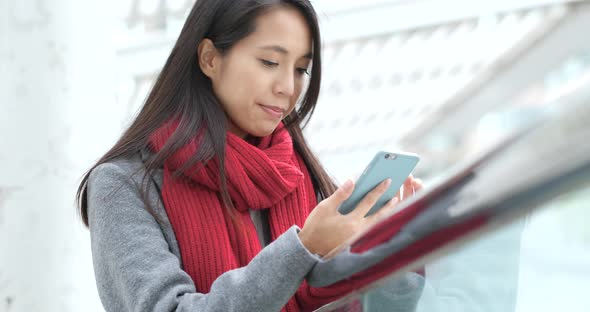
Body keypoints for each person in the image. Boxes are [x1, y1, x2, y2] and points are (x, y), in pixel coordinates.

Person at [76, 0, 424, 311]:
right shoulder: (122, 185)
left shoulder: (295, 174)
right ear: (210, 58)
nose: (288, 87)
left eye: (301, 69)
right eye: (270, 62)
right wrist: (303, 247)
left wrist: (393, 250)